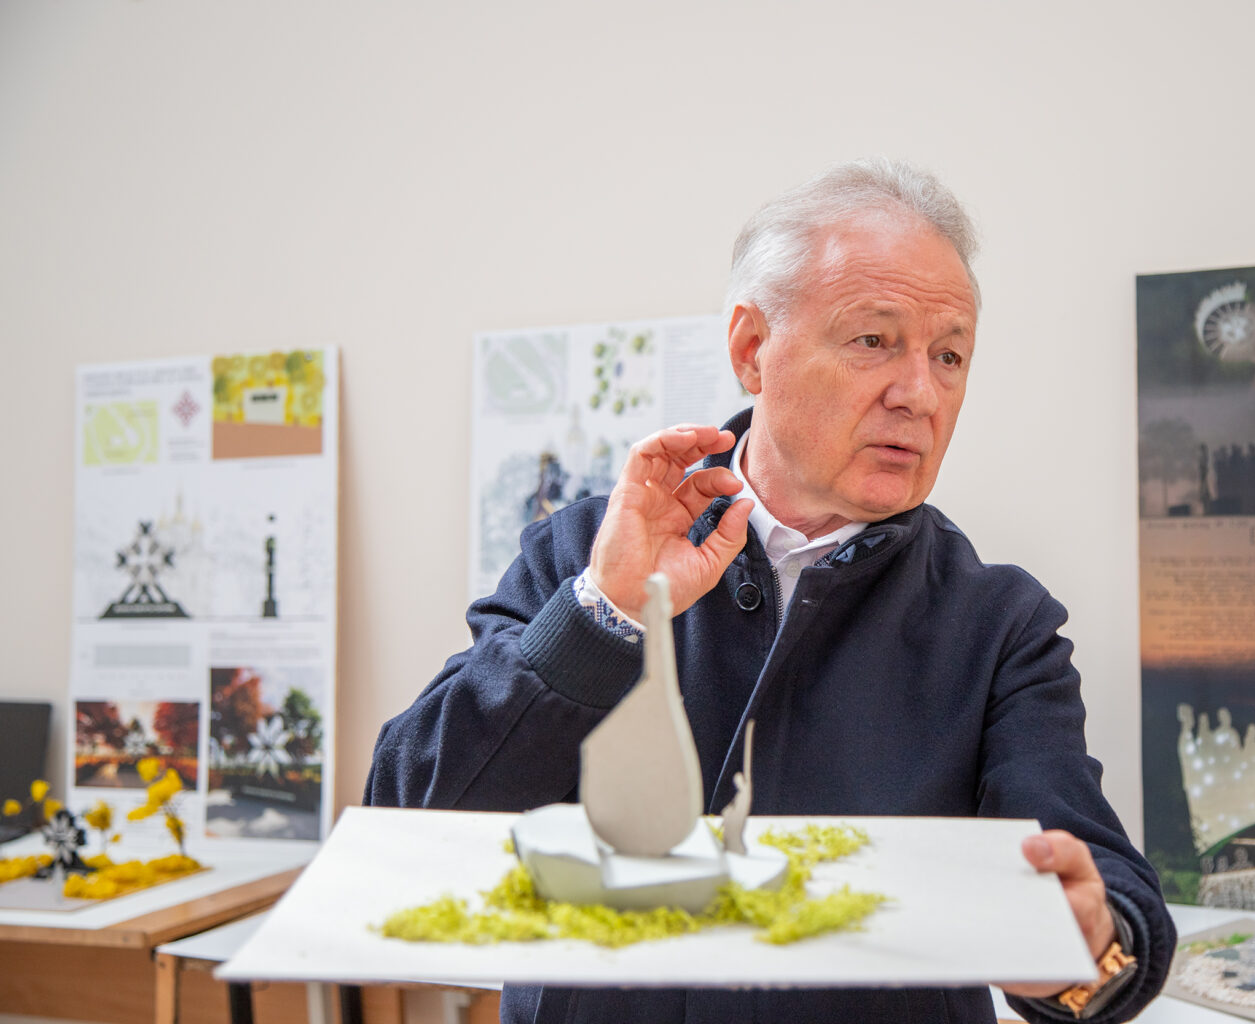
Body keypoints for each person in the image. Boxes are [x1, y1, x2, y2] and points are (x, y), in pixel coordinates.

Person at [366, 158, 1174, 1024]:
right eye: (874, 341)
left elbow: (1101, 897)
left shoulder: (1000, 625)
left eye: (949, 355)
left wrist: (1084, 947)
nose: (920, 394)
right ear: (752, 349)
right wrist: (603, 613)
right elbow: (412, 818)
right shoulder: (585, 552)